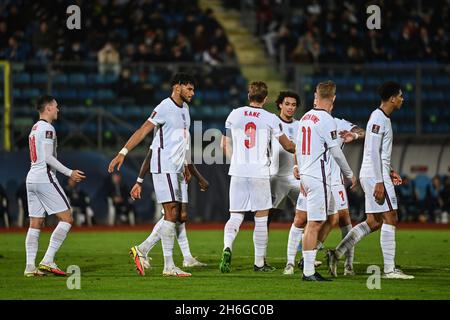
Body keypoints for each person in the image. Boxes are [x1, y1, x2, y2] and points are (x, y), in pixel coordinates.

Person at [108, 73, 195, 277]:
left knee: (172, 215)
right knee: (171, 213)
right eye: (189, 88)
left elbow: (180, 142)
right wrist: (123, 152)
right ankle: (168, 266)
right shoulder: (165, 106)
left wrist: (185, 165)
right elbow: (143, 130)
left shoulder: (186, 109)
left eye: (193, 89)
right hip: (163, 165)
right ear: (177, 87)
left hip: (175, 167)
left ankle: (143, 250)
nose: (193, 92)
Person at [327, 81, 414, 279]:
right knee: (391, 217)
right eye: (400, 95)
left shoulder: (382, 118)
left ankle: (336, 253)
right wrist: (380, 181)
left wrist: (390, 170)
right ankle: (390, 270)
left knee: (374, 222)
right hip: (375, 175)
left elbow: (377, 151)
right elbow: (373, 150)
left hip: (376, 172)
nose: (402, 99)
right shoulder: (378, 118)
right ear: (392, 98)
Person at [219, 81, 296, 273]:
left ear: (248, 95)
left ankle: (227, 247)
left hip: (237, 172)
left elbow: (224, 144)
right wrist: (304, 147)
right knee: (261, 218)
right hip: (259, 173)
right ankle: (259, 263)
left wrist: (235, 162)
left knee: (235, 216)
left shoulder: (234, 114)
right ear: (266, 98)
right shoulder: (270, 118)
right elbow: (287, 146)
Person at [285, 97, 365, 276]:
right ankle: (293, 263)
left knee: (340, 219)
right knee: (302, 219)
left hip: (333, 180)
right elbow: (299, 147)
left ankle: (346, 264)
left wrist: (354, 135)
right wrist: (297, 166)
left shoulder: (338, 123)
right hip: (316, 176)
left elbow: (363, 131)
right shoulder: (310, 121)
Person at [296, 81, 356, 281]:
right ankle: (308, 271)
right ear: (334, 98)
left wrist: (299, 169)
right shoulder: (326, 119)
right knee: (314, 223)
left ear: (317, 95)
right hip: (317, 175)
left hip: (307, 174)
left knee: (332, 217)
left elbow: (298, 147)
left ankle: (308, 264)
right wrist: (349, 174)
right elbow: (336, 152)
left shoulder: (305, 117)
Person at [24, 95, 86, 277]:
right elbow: (48, 157)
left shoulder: (34, 128)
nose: (58, 110)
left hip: (31, 178)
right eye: (56, 106)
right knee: (67, 219)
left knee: (35, 223)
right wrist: (70, 173)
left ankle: (29, 267)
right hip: (45, 177)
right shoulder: (48, 128)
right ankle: (48, 260)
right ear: (49, 108)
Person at [128, 149, 209, 276]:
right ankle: (154, 256)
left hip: (179, 171)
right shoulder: (167, 131)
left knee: (180, 217)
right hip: (169, 171)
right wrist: (139, 181)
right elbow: (151, 151)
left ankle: (186, 258)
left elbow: (184, 153)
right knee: (172, 215)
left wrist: (188, 169)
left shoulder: (183, 131)